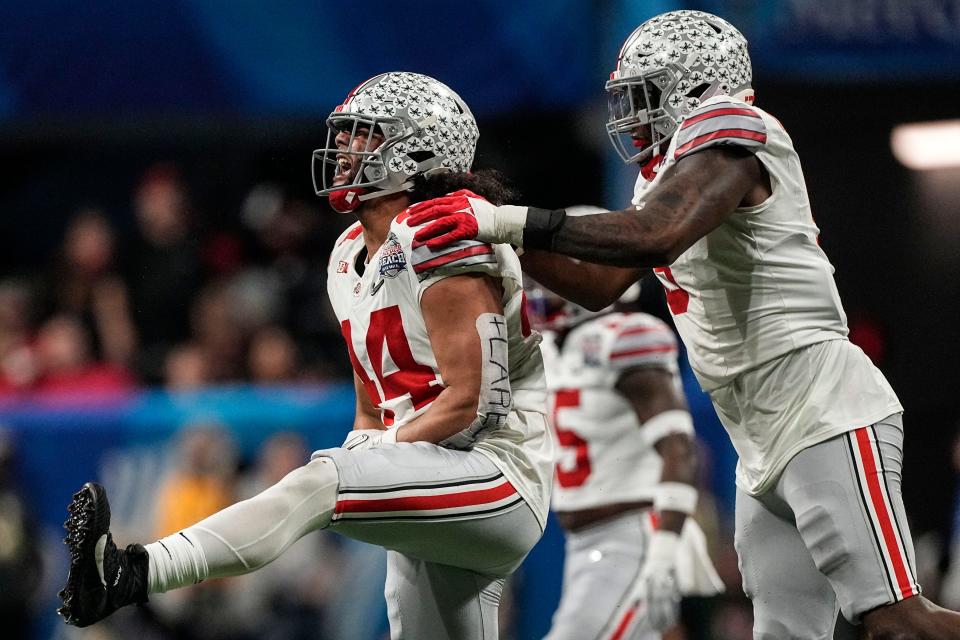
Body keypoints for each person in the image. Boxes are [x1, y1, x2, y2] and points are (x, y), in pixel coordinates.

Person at [406, 11, 960, 639]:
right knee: (783, 632)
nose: (632, 118)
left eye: (644, 98)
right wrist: (494, 233)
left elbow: (655, 234)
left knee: (896, 623)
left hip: (819, 403)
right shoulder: (662, 180)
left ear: (695, 88)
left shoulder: (735, 131)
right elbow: (599, 284)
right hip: (755, 432)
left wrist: (505, 223)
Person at [57, 71, 553, 640]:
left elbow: (472, 402)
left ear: (415, 150)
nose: (342, 147)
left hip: (497, 473)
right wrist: (370, 447)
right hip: (434, 478)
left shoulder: (443, 229)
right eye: (344, 134)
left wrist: (366, 459)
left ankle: (132, 573)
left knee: (324, 478)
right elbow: (374, 406)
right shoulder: (347, 255)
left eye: (364, 134)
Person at [528, 278, 721, 639]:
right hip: (584, 545)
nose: (542, 290)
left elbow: (680, 448)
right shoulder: (552, 347)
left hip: (631, 538)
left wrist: (664, 548)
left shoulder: (624, 337)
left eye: (554, 277)